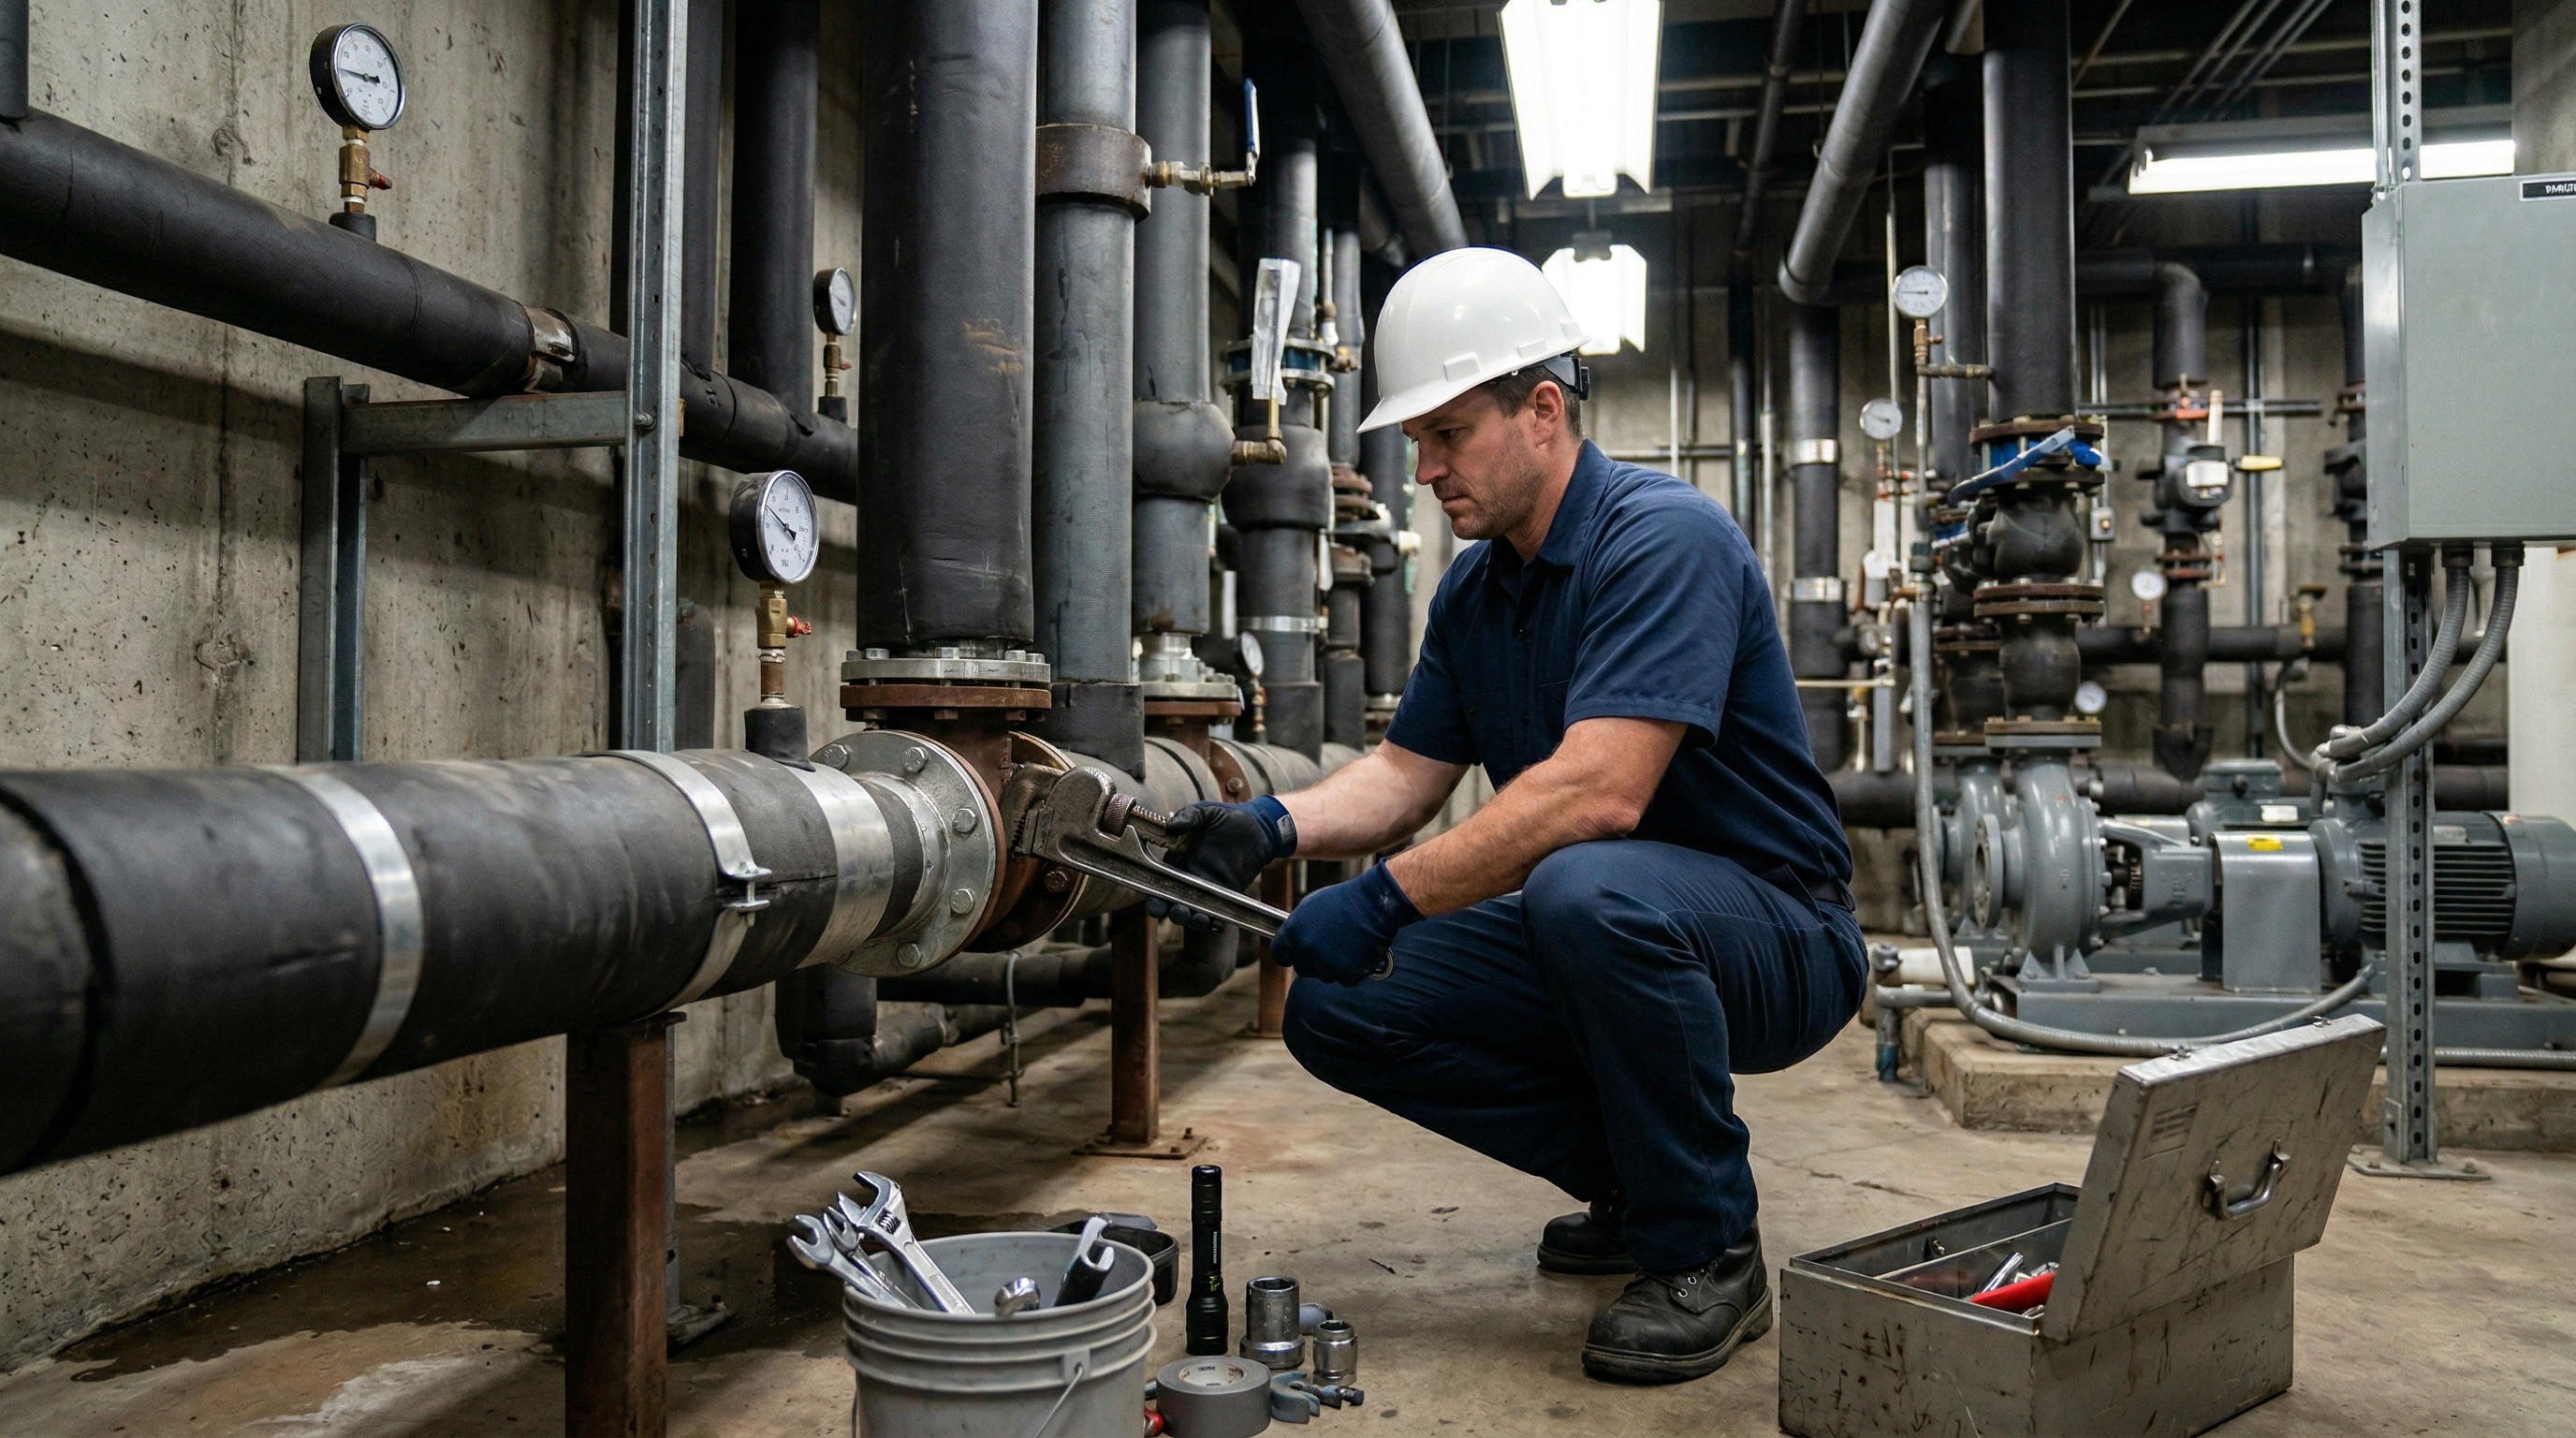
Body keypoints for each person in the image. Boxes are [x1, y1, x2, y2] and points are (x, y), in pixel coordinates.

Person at [1152, 246, 1863, 1385]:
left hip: (1779, 935)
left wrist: (1383, 896)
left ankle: (1709, 1254)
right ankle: (1645, 1183)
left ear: (1542, 411)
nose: (1423, 469)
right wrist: (1270, 823)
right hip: (1614, 926)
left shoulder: (1661, 540)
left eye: (1445, 435)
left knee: (1584, 885)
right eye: (1416, 442)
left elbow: (1600, 792)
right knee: (1336, 1004)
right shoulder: (1478, 591)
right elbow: (1404, 772)